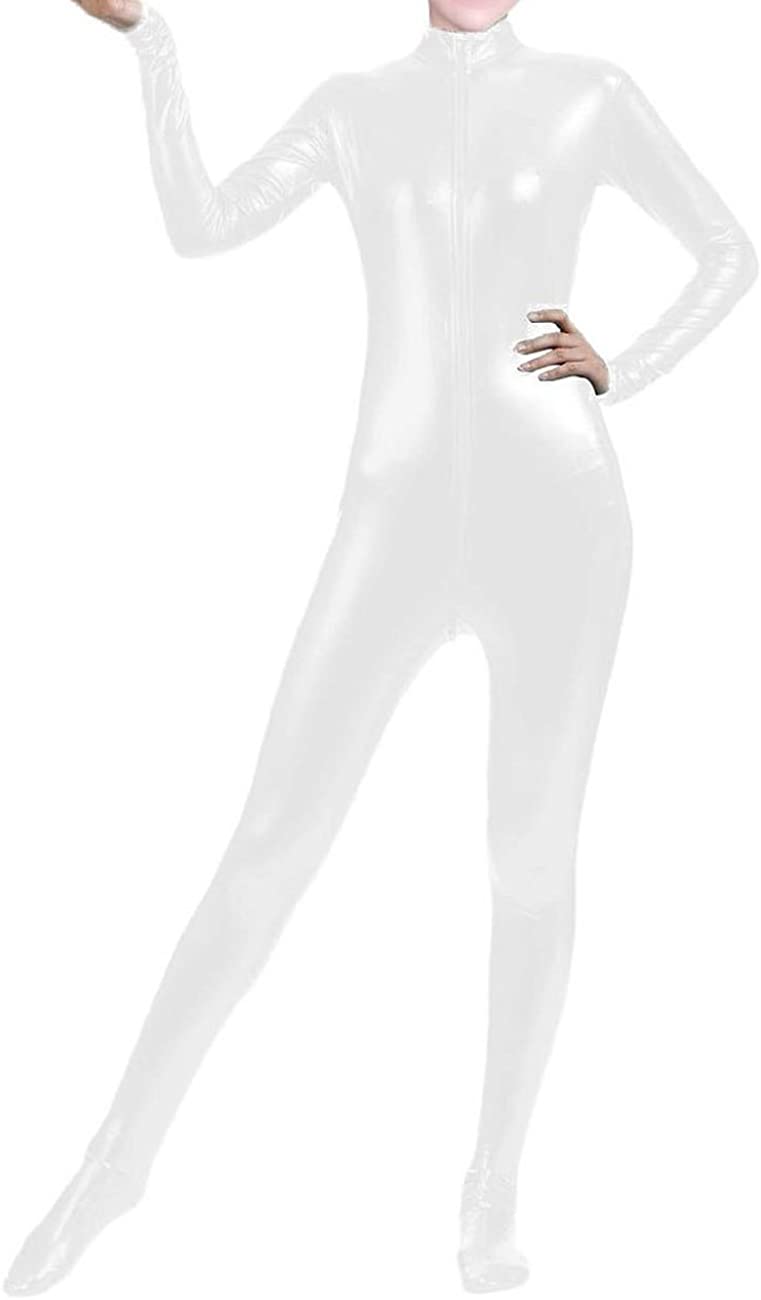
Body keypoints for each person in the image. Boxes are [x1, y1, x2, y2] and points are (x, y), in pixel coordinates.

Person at [4, 0, 757, 1293]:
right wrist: (151, 43)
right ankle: (112, 1166)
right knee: (269, 843)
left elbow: (727, 250)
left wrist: (621, 368)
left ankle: (489, 1193)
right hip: (390, 523)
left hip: (562, 527)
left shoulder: (590, 91)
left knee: (529, 858)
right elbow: (203, 223)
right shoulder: (357, 106)